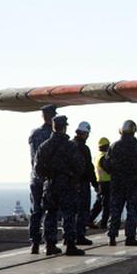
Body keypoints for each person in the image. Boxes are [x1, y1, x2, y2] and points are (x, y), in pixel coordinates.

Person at [34, 114, 85, 256]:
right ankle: (70, 245)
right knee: (68, 215)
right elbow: (80, 166)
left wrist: (48, 177)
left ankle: (50, 245)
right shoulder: (70, 147)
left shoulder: (44, 146)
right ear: (64, 128)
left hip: (50, 185)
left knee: (50, 214)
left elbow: (37, 168)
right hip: (67, 186)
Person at [103, 120, 137, 246]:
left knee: (115, 210)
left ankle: (112, 237)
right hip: (134, 184)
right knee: (132, 211)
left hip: (117, 183)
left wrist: (114, 173)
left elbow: (106, 164)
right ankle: (130, 237)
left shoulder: (114, 146)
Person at [27, 104, 56, 254]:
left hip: (35, 177)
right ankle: (50, 243)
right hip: (48, 178)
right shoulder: (53, 135)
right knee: (50, 210)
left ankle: (34, 243)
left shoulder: (34, 134)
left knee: (36, 211)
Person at [72, 121, 97, 245]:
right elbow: (89, 167)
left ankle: (70, 237)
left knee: (71, 211)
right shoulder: (84, 148)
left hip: (70, 184)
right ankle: (80, 236)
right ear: (85, 133)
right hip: (82, 184)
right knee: (82, 211)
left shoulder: (69, 145)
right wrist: (95, 184)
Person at [89, 137, 112, 229]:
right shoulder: (104, 157)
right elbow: (108, 169)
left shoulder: (97, 155)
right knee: (107, 204)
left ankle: (90, 219)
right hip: (107, 182)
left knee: (99, 203)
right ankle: (104, 223)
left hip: (100, 182)